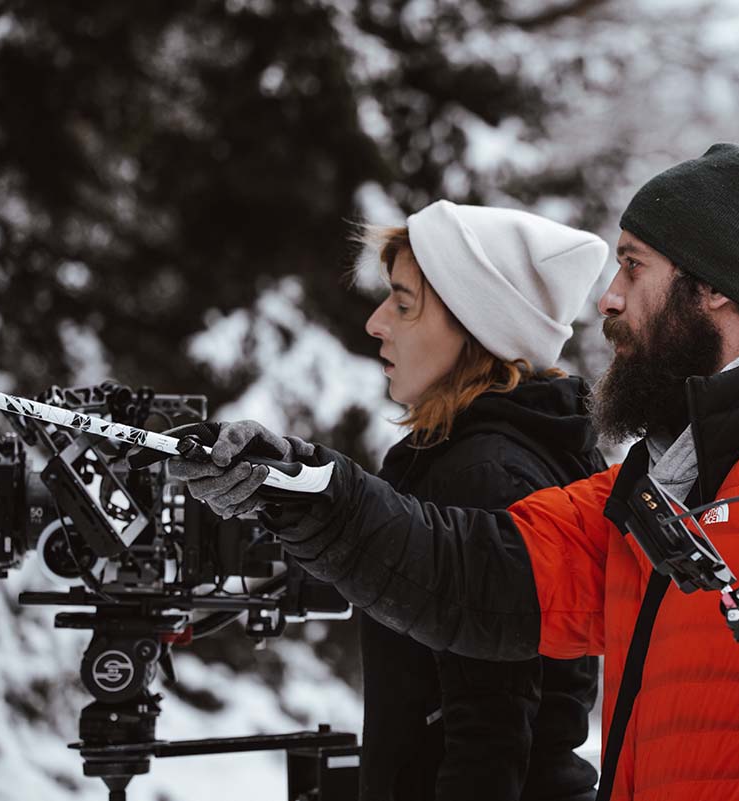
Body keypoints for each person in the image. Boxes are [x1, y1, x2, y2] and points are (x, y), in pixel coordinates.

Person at [175, 144, 739, 800]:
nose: (607, 298)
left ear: (714, 286)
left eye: (634, 267)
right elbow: (477, 574)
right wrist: (310, 492)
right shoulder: (673, 477)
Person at [187, 202, 611, 801]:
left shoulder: (487, 472)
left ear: (477, 327)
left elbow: (492, 738)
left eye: (405, 304)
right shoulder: (490, 453)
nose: (376, 322)